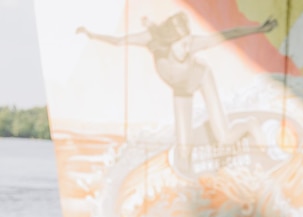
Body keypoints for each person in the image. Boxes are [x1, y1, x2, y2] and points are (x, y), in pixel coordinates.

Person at [77, 13, 277, 171]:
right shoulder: (153, 41)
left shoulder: (194, 44)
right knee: (183, 149)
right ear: (169, 42)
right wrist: (92, 35)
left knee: (223, 138)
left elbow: (228, 35)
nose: (188, 48)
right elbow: (119, 41)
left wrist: (259, 29)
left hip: (201, 77)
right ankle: (189, 184)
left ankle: (249, 125)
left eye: (189, 42)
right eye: (182, 45)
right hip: (181, 90)